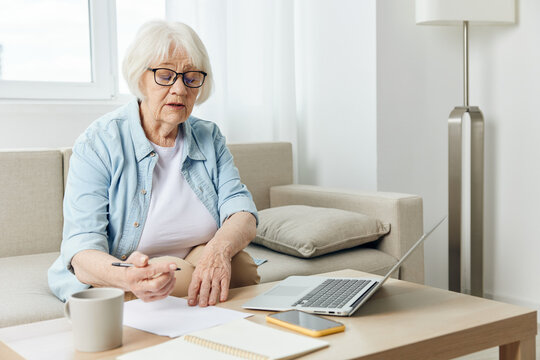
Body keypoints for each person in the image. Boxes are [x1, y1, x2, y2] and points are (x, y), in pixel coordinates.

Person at [48, 20, 260, 307]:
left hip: (195, 257)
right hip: (123, 270)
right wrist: (128, 277)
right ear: (140, 78)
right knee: (221, 273)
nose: (179, 89)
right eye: (165, 75)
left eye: (191, 77)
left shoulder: (209, 137)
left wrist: (218, 251)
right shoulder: (99, 142)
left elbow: (242, 212)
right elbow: (82, 252)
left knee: (241, 265)